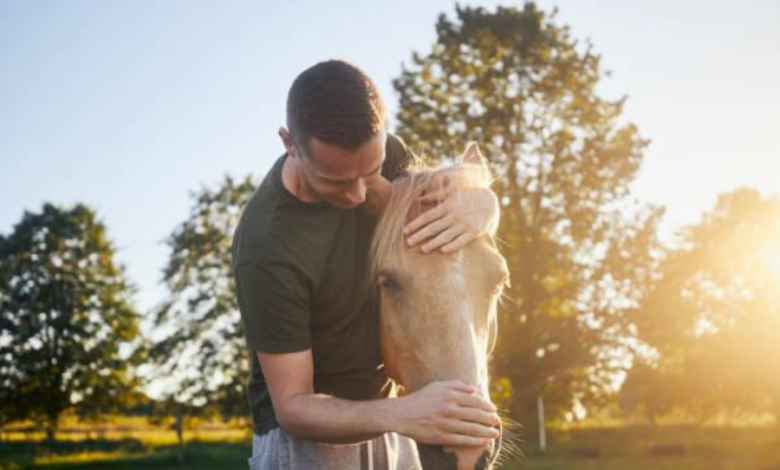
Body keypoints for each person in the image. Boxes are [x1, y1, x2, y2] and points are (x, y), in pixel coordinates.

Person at [231, 59, 501, 470]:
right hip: (311, 447)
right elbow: (294, 406)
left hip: (403, 423)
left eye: (371, 171)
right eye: (336, 182)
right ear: (290, 143)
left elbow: (447, 234)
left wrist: (484, 205)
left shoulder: (382, 152)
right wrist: (406, 414)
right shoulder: (267, 246)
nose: (359, 194)